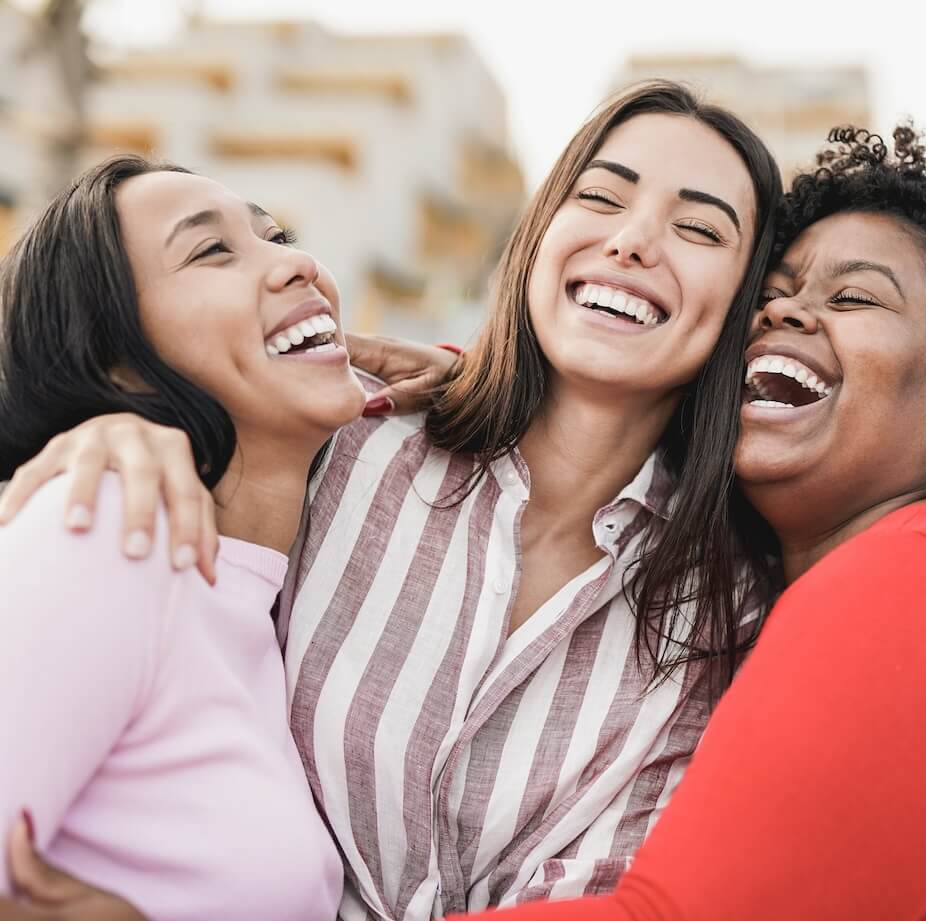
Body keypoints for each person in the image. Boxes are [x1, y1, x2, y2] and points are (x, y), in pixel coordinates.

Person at [0, 81, 782, 919]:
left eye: (699, 229)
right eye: (598, 197)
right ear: (539, 231)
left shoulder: (729, 614)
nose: (633, 242)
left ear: (746, 305)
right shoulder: (339, 448)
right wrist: (95, 438)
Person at [429, 126, 926, 919]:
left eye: (854, 296)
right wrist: (472, 385)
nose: (786, 314)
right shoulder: (836, 582)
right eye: (770, 296)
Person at [0, 156, 361, 919]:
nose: (296, 262)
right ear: (119, 366)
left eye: (278, 234)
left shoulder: (264, 596)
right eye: (211, 251)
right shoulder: (103, 528)